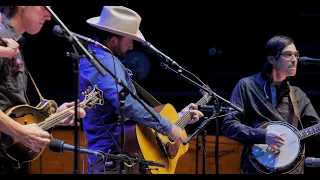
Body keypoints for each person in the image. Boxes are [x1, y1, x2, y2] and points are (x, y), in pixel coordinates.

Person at [79, 6, 204, 174]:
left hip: (116, 158)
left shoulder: (99, 60)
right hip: (113, 161)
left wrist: (178, 118)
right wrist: (168, 127)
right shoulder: (104, 63)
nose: (132, 46)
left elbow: (134, 118)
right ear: (113, 40)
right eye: (128, 39)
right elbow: (129, 105)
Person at [0, 6, 86, 174]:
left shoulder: (14, 42)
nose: (48, 17)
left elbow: (10, 108)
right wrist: (20, 132)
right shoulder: (2, 39)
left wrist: (54, 117)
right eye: (45, 8)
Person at [221, 34, 320, 174]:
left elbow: (317, 128)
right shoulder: (247, 86)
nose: (295, 60)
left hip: (293, 170)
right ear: (271, 59)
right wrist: (263, 136)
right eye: (288, 55)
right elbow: (229, 125)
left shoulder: (298, 94)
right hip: (256, 169)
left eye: (296, 55)